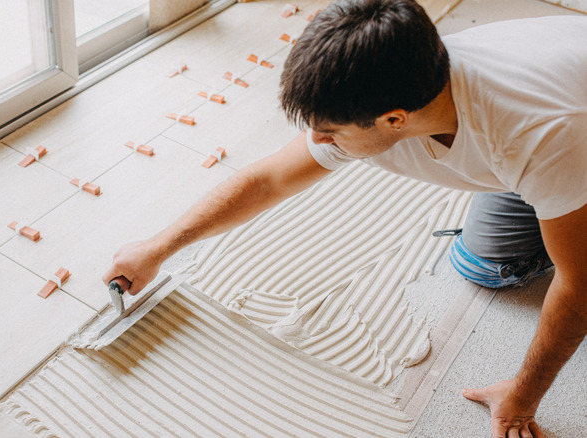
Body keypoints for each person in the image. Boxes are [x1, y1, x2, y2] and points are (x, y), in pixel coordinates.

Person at [103, 0, 587, 436]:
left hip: (570, 140)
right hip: (549, 137)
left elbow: (578, 285)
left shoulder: (541, 136)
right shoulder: (400, 81)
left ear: (395, 120)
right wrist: (160, 246)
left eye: (330, 132)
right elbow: (270, 179)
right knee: (481, 263)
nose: (321, 142)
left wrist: (522, 400)